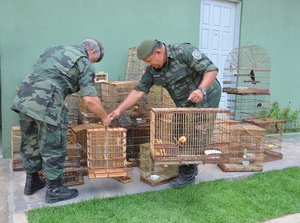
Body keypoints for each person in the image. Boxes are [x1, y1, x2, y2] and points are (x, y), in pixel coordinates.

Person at [109, 39, 221, 188]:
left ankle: (188, 172)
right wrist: (118, 110)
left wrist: (201, 90)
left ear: (158, 52)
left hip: (206, 94)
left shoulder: (182, 52)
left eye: (149, 60)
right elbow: (138, 91)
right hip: (184, 101)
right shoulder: (153, 69)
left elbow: (211, 70)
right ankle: (186, 165)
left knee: (195, 132)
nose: (149, 65)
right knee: (178, 130)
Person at [11, 38, 112, 203]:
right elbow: (90, 100)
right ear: (92, 52)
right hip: (48, 101)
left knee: (30, 140)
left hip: (25, 96)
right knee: (53, 144)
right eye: (95, 59)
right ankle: (54, 189)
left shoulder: (54, 48)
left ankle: (32, 181)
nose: (93, 63)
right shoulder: (85, 63)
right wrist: (105, 117)